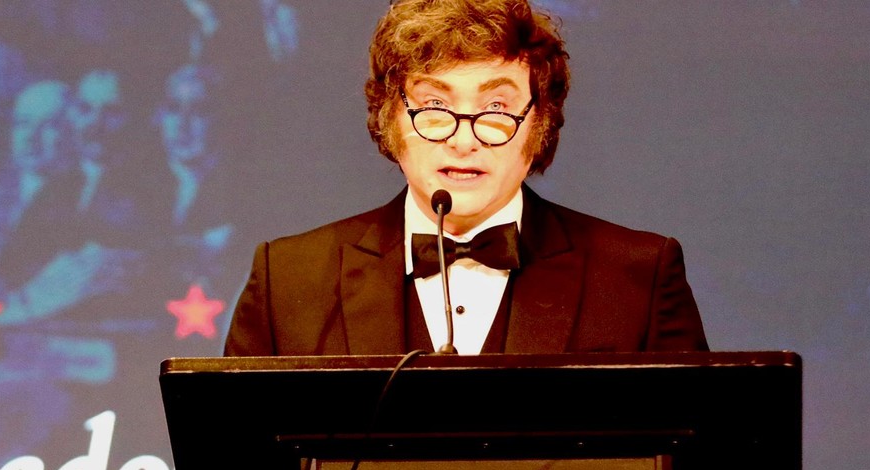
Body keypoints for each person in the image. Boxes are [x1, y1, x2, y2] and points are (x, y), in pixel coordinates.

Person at [224, 0, 707, 360]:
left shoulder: (639, 277)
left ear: (540, 124)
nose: (463, 139)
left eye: (496, 108)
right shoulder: (287, 280)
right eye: (434, 106)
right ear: (389, 119)